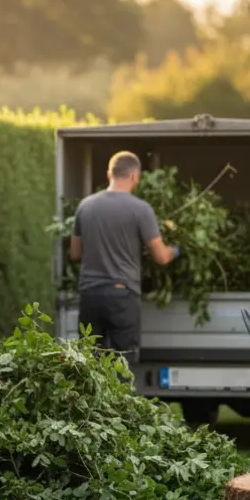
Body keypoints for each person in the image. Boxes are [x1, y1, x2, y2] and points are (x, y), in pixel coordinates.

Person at [67, 151, 180, 364]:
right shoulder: (140, 209)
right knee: (122, 363)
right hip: (122, 295)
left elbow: (75, 253)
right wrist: (176, 250)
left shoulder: (85, 206)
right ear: (135, 176)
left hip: (90, 295)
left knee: (89, 365)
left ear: (109, 174)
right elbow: (161, 257)